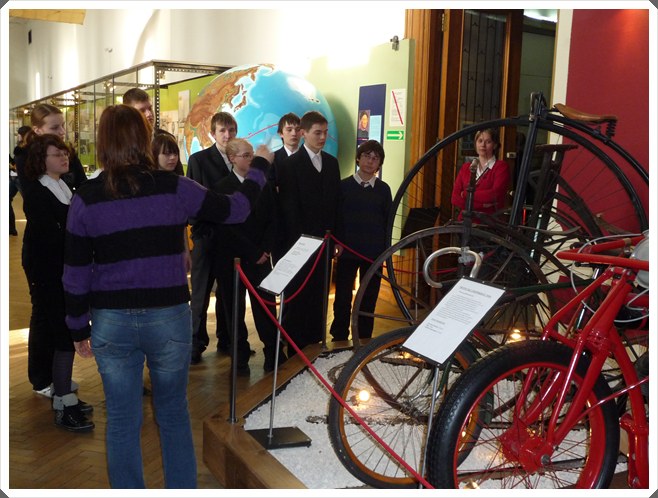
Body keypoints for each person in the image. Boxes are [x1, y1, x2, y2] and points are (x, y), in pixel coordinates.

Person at [62, 104, 269, 488]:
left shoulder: (86, 198)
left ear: (103, 143)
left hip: (111, 320)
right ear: (144, 140)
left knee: (122, 420)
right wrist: (259, 168)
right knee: (173, 413)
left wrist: (77, 326)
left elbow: (75, 273)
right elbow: (236, 209)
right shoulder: (174, 186)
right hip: (168, 317)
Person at [22, 134, 94, 432]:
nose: (64, 158)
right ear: (42, 160)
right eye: (57, 154)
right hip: (49, 272)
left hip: (64, 269)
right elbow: (50, 237)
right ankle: (63, 402)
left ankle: (62, 393)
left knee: (62, 332)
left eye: (65, 153)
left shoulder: (64, 185)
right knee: (63, 333)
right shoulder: (38, 191)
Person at [214, 138, 282, 375]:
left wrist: (265, 249)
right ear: (232, 158)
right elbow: (226, 228)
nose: (251, 159)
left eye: (252, 154)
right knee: (234, 310)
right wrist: (252, 252)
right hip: (232, 260)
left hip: (261, 258)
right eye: (246, 155)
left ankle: (273, 353)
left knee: (266, 307)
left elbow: (273, 218)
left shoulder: (263, 184)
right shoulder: (221, 187)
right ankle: (240, 356)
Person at [276, 111, 342, 353]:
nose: (322, 137)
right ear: (303, 133)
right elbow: (289, 207)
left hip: (326, 241)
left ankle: (316, 341)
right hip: (299, 242)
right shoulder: (289, 165)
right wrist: (300, 242)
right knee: (298, 292)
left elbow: (336, 204)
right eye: (317, 133)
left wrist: (336, 238)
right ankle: (294, 344)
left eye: (325, 132)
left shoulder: (332, 163)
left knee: (320, 292)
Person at [186, 112, 237, 364]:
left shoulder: (240, 159)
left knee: (229, 293)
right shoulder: (199, 160)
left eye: (231, 130)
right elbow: (192, 200)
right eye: (222, 131)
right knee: (200, 294)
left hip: (230, 238)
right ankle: (195, 343)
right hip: (206, 237)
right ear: (212, 133)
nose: (227, 135)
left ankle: (228, 339)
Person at [330, 140, 392, 342]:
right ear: (358, 158)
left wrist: (386, 250)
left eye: (375, 158)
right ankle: (339, 336)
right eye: (366, 156)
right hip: (347, 250)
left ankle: (364, 338)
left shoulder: (383, 189)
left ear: (379, 164)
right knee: (343, 296)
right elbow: (336, 218)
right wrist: (337, 243)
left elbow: (388, 221)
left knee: (369, 297)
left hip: (374, 252)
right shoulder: (343, 186)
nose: (370, 161)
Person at [15, 104, 87, 196]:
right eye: (54, 128)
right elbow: (32, 196)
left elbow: (83, 185)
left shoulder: (69, 152)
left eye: (63, 125)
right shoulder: (25, 156)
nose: (62, 131)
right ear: (37, 130)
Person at [451, 128, 510, 221]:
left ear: (495, 145)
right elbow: (455, 198)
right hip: (464, 222)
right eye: (480, 141)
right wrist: (482, 205)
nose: (483, 145)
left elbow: (495, 195)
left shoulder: (501, 167)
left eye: (488, 142)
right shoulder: (465, 167)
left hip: (488, 223)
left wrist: (466, 194)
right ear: (475, 144)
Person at [270, 112, 301, 185]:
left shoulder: (310, 157)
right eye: (289, 130)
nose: (294, 133)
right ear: (281, 134)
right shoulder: (272, 160)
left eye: (297, 129)